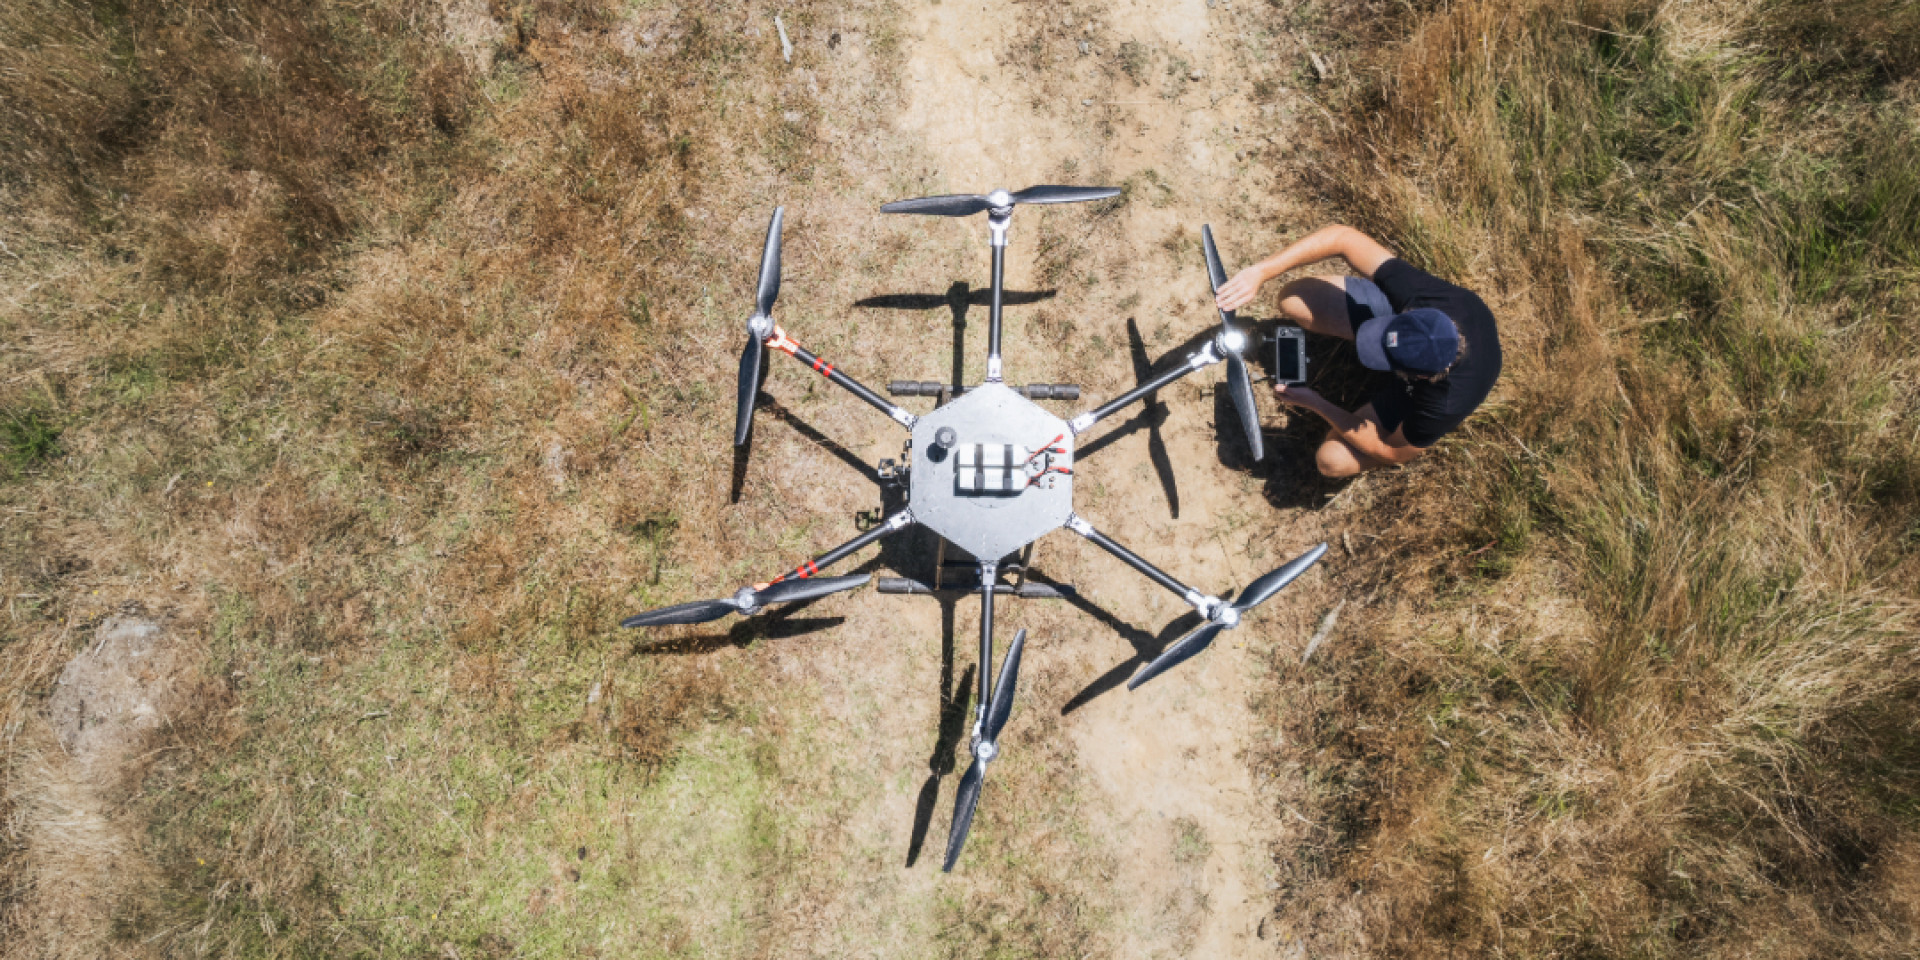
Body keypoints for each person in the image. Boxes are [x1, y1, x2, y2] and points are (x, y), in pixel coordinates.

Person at [1214, 225, 1501, 478]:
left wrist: (1317, 404)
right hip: (1421, 337)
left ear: (1421, 378)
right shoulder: (1428, 299)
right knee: (1295, 300)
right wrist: (1261, 272)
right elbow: (1343, 237)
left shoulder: (1444, 403)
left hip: (1412, 400)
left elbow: (1392, 452)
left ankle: (1388, 393)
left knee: (1331, 460)